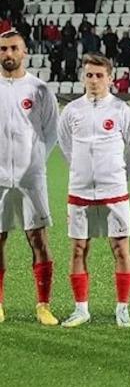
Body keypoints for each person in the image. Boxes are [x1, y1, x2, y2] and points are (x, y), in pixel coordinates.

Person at [58, 54, 130, 328]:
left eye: (99, 75)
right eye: (89, 75)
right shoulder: (71, 111)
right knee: (78, 249)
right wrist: (82, 171)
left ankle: (123, 309)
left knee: (120, 248)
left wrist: (119, 177)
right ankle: (81, 309)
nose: (94, 80)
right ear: (83, 77)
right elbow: (66, 146)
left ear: (110, 78)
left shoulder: (122, 111)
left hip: (114, 190)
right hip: (80, 190)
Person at [0, 31, 58, 325]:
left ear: (24, 52)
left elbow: (52, 131)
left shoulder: (39, 89)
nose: (8, 54)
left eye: (13, 48)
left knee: (38, 238)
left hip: (31, 179)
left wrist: (35, 163)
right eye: (3, 49)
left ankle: (43, 305)